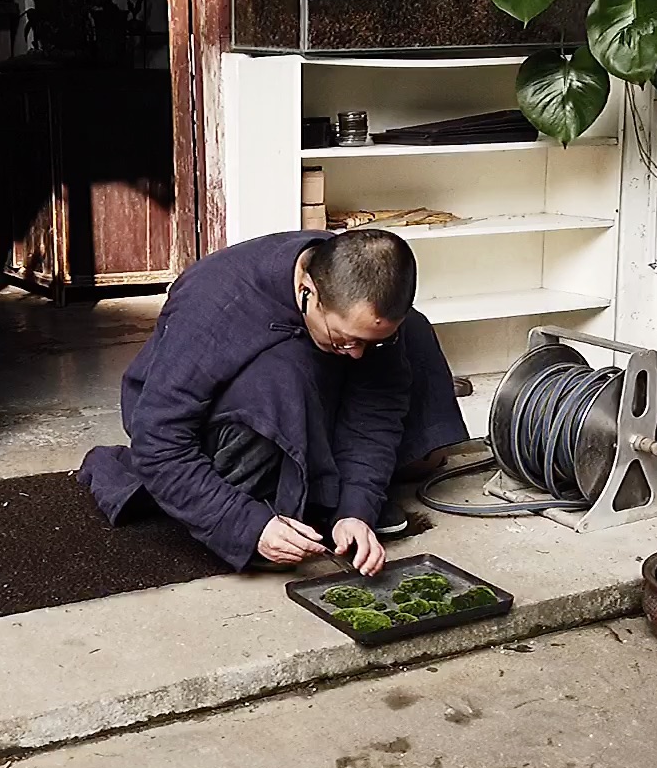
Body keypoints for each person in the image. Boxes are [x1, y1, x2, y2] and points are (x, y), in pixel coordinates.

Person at [78, 229, 469, 576]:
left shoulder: (353, 296)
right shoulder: (215, 302)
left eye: (370, 341)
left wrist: (356, 507)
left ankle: (327, 496)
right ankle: (286, 498)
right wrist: (246, 526)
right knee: (284, 373)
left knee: (411, 335)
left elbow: (375, 411)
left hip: (313, 400)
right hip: (206, 426)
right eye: (345, 338)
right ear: (308, 291)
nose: (356, 355)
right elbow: (158, 438)